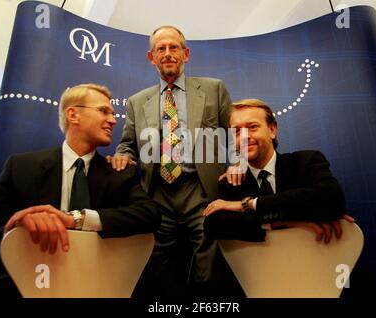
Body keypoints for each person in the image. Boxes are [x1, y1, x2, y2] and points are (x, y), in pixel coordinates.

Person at [0, 83, 161, 298]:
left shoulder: (118, 172)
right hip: (22, 283)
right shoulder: (21, 167)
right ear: (73, 115)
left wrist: (76, 220)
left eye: (113, 113)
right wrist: (16, 229)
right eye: (103, 111)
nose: (113, 120)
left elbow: (151, 215)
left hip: (98, 283)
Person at [108, 25, 232, 295]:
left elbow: (234, 133)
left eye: (173, 47)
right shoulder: (137, 101)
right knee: (155, 261)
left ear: (185, 54)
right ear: (151, 57)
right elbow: (128, 144)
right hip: (156, 192)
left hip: (201, 189)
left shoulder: (214, 89)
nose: (167, 53)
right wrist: (122, 156)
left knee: (208, 258)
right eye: (160, 49)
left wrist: (237, 163)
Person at [204, 98, 352, 242]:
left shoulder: (307, 162)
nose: (244, 137)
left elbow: (332, 199)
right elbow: (213, 225)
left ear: (272, 130)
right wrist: (284, 222)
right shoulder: (231, 182)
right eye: (236, 131)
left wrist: (248, 205)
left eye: (252, 127)